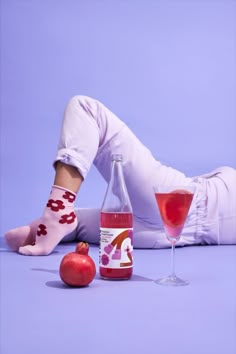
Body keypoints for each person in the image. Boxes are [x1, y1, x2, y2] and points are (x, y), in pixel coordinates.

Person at [5, 95, 236, 256]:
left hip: (175, 203)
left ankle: (56, 213)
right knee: (78, 226)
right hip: (169, 238)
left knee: (86, 109)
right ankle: (40, 230)